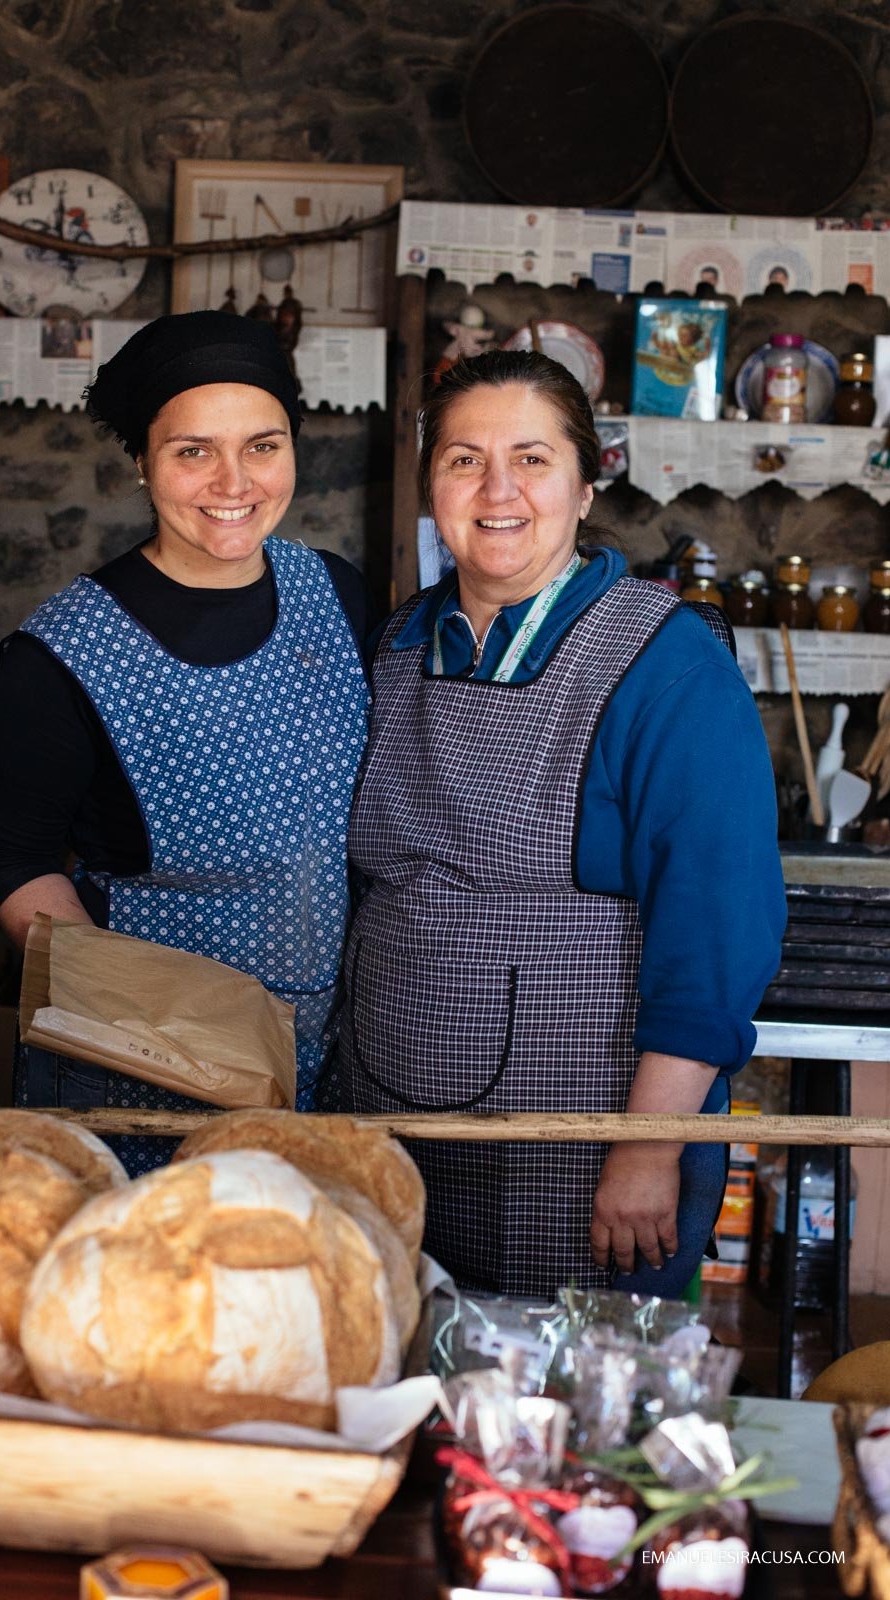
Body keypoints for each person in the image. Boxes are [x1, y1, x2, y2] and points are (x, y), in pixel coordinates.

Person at [330, 349, 785, 1300]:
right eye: (463, 460)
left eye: (532, 459)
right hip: (387, 1128)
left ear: (585, 486)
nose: (498, 490)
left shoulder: (663, 666)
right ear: (431, 487)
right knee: (404, 1402)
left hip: (580, 1149)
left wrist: (647, 1152)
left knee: (569, 1429)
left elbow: (715, 934)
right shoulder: (398, 647)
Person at [0, 312, 372, 1173]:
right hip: (146, 1069)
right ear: (143, 463)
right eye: (193, 451)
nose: (234, 481)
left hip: (333, 1049)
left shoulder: (336, 595)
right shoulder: (63, 653)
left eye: (262, 446)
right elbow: (12, 855)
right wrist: (137, 1020)